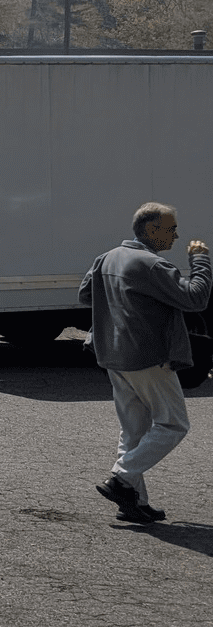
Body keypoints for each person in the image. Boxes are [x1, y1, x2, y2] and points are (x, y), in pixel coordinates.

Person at [79, 202, 211, 523]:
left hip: (114, 356)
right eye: (171, 228)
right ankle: (121, 478)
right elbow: (196, 298)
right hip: (148, 357)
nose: (177, 235)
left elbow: (85, 294)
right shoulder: (153, 266)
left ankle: (133, 501)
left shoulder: (106, 258)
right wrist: (201, 259)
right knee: (174, 424)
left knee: (133, 431)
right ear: (151, 230)